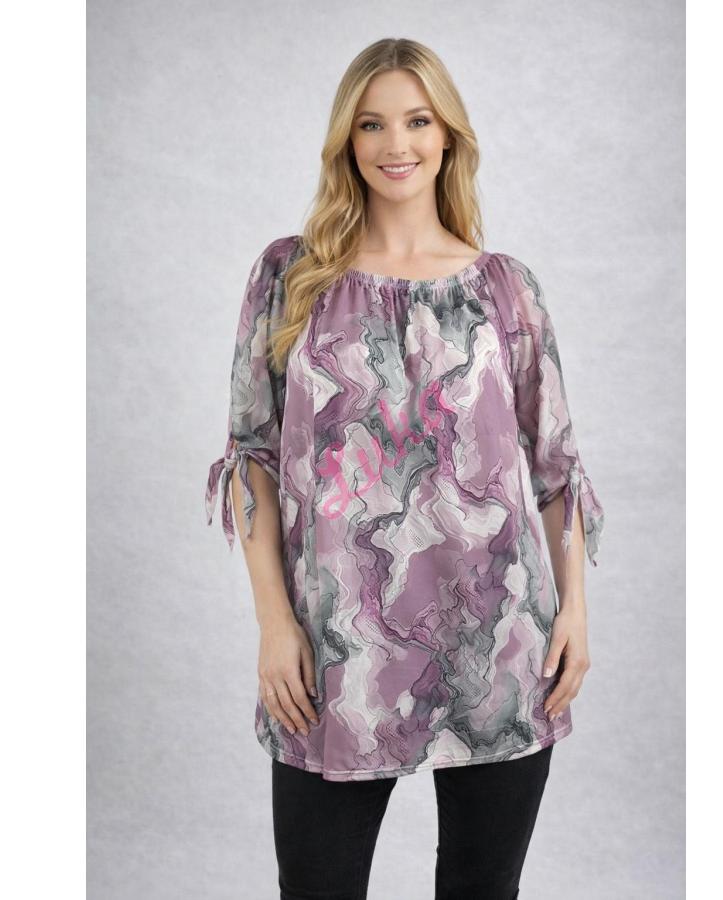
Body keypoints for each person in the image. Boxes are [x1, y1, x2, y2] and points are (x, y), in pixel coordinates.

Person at [205, 37, 605, 900]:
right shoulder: (290, 276)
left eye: (418, 121)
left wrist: (574, 605)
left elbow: (557, 467)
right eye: (372, 124)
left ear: (448, 134)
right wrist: (275, 622)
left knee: (481, 889)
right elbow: (252, 456)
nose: (397, 144)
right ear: (345, 140)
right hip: (338, 650)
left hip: (501, 644)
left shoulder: (505, 289)